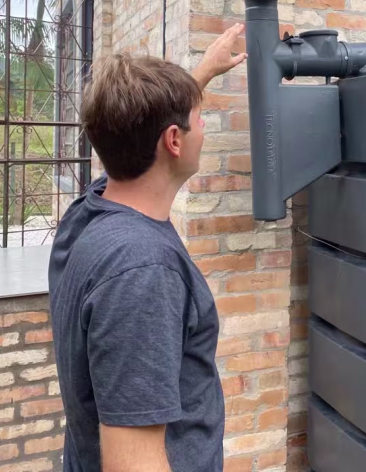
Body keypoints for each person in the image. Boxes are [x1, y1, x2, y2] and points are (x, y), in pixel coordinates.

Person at [49, 24, 247, 472]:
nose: (203, 127)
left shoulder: (88, 212)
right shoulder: (141, 271)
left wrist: (202, 73)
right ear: (174, 141)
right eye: (199, 120)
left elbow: (134, 126)